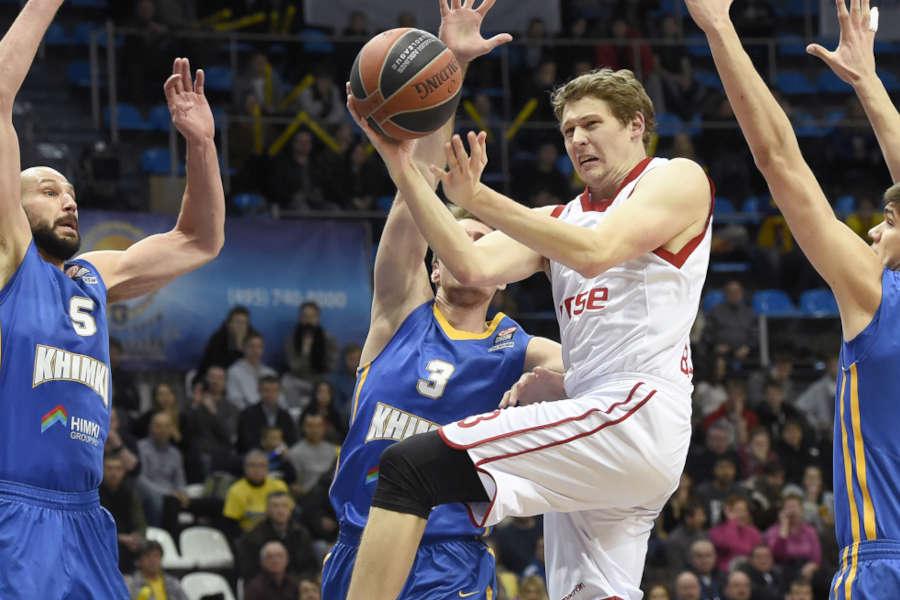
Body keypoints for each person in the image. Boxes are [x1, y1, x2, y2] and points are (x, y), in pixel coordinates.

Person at [348, 37, 713, 600]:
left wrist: (481, 197)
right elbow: (468, 263)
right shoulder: (557, 219)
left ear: (637, 124)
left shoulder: (674, 178)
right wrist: (402, 165)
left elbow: (597, 251)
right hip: (598, 425)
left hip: (635, 413)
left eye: (591, 124)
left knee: (411, 468)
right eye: (568, 131)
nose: (578, 140)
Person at [325, 4, 564, 600]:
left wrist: (548, 382)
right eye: (451, 244)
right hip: (359, 545)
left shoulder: (517, 347)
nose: (463, 253)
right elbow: (417, 187)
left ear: (503, 276)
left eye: (479, 243)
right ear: (434, 264)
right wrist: (449, 62)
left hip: (449, 558)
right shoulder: (398, 312)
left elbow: (589, 365)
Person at [686, 0, 900, 593]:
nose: (874, 230)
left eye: (886, 218)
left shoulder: (878, 295)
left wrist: (720, 28)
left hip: (885, 564)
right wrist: (868, 83)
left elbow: (780, 162)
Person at [0, 33, 224, 594]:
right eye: (49, 191)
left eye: (71, 193)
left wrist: (201, 144)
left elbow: (199, 240)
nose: (68, 200)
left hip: (85, 515)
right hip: (13, 506)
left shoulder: (92, 277)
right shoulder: (9, 262)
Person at [236, 490, 317, 581]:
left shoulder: (301, 533)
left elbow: (310, 565)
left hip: (296, 584)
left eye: (284, 506)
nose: (280, 510)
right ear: (267, 510)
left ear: (290, 510)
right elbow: (250, 570)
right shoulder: (254, 537)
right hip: (266, 586)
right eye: (275, 506)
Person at [223, 450, 290, 535]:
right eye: (252, 466)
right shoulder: (236, 490)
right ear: (245, 468)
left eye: (262, 466)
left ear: (267, 468)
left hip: (277, 534)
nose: (257, 470)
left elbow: (290, 514)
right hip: (249, 537)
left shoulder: (279, 486)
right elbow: (230, 524)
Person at [99, 453, 146, 574]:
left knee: (151, 548)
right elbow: (92, 528)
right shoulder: (94, 494)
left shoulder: (130, 494)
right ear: (101, 470)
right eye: (109, 468)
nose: (113, 473)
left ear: (124, 472)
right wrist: (120, 538)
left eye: (118, 469)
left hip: (129, 541)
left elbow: (140, 523)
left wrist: (136, 537)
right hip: (102, 540)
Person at [237, 375, 298, 454]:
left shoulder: (285, 416)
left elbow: (292, 440)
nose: (270, 394)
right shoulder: (247, 414)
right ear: (259, 391)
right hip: (255, 457)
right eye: (266, 390)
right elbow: (246, 442)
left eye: (274, 390)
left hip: (281, 456)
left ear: (279, 392)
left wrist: (278, 451)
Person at [227, 331, 279, 410]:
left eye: (259, 347)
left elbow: (280, 399)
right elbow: (235, 400)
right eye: (251, 346)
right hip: (246, 415)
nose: (255, 350)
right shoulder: (234, 371)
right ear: (243, 348)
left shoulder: (270, 373)